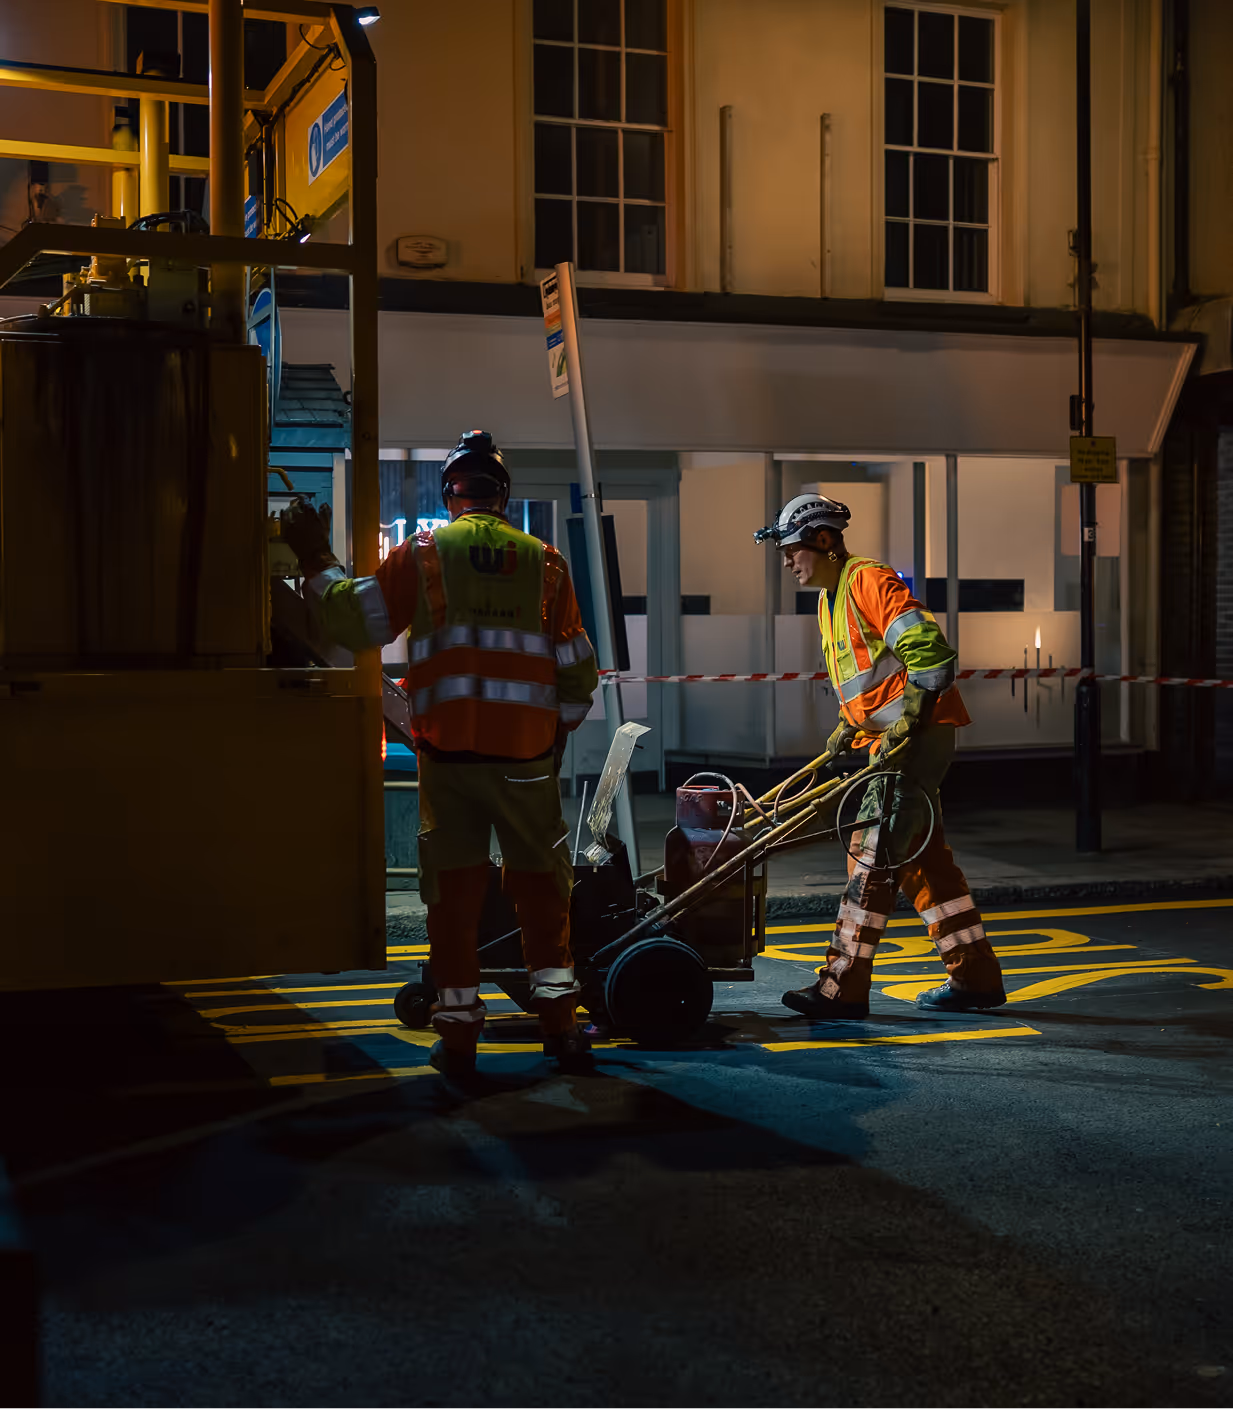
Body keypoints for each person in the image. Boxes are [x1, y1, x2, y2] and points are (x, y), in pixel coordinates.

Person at [280, 430, 600, 1079]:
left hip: (448, 762)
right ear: (502, 495)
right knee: (541, 892)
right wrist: (552, 738)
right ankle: (562, 1028)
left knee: (453, 899)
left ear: (451, 491)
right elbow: (578, 672)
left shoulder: (425, 555)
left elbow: (356, 620)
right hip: (524, 761)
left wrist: (315, 558)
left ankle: (457, 1040)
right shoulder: (546, 563)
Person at [754, 494, 1005, 1018]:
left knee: (871, 853)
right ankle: (975, 976)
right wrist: (848, 728)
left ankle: (841, 987)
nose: (787, 561)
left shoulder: (867, 579)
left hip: (917, 737)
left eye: (793, 549)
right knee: (923, 861)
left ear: (823, 541)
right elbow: (870, 679)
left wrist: (910, 720)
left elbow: (930, 655)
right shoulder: (830, 598)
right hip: (888, 739)